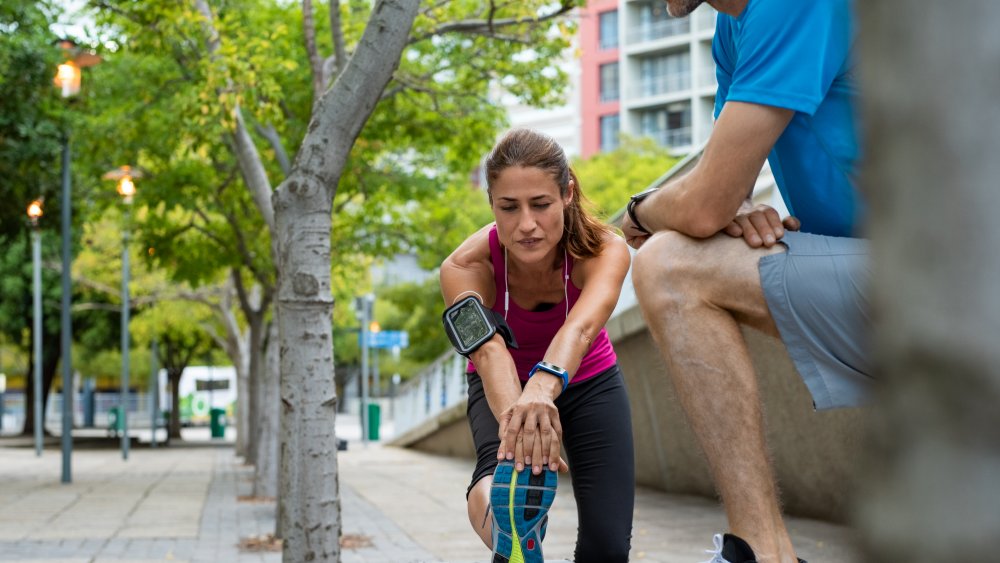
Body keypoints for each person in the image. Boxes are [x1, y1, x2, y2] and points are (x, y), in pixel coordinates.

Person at [622, 1, 867, 562]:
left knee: (670, 266)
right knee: (680, 257)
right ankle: (762, 553)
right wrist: (734, 205)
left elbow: (702, 204)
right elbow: (721, 192)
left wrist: (640, 210)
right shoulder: (734, 30)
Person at [440, 128, 635, 563]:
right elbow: (488, 351)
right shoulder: (463, 266)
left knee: (607, 545)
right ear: (491, 203)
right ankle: (511, 537)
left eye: (541, 204)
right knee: (502, 482)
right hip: (500, 382)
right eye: (508, 207)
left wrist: (543, 388)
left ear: (567, 194)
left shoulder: (605, 250)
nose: (526, 224)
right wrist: (520, 423)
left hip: (588, 380)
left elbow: (581, 330)